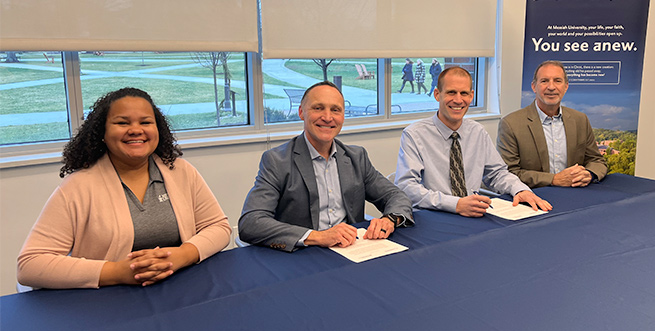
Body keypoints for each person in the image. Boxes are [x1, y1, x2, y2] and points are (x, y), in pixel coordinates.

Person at [17, 88, 232, 289]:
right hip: (109, 300)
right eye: (122, 123)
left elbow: (219, 227)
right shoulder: (78, 186)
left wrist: (182, 255)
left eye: (146, 122)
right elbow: (30, 265)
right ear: (102, 132)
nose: (136, 130)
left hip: (183, 288)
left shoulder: (180, 171)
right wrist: (118, 272)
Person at [239, 81, 413, 252]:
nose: (328, 117)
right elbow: (251, 222)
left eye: (335, 110)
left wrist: (389, 220)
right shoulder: (277, 161)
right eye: (318, 108)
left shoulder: (356, 157)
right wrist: (318, 236)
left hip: (351, 251)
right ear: (301, 112)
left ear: (343, 116)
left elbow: (396, 196)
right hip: (303, 255)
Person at [395, 67, 552, 217]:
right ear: (437, 94)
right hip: (432, 216)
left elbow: (497, 173)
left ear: (471, 96)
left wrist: (519, 190)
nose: (458, 100)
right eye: (451, 92)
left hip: (472, 214)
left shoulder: (478, 132)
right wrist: (455, 204)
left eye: (464, 93)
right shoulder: (414, 135)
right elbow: (407, 187)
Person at [497, 60, 607, 188]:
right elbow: (509, 173)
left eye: (557, 81)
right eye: (544, 81)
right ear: (534, 87)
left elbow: (596, 160)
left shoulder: (580, 120)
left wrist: (589, 174)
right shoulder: (511, 124)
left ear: (566, 86)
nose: (551, 87)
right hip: (534, 196)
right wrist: (553, 179)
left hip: (576, 193)